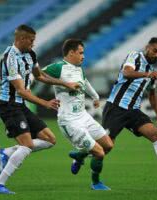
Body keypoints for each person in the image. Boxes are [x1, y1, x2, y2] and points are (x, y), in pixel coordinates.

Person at [0, 25, 79, 194]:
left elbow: (40, 76)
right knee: (27, 145)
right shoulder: (10, 57)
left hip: (20, 105)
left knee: (49, 139)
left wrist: (65, 84)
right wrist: (45, 103)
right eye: (31, 40)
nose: (33, 44)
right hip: (9, 105)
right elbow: (21, 90)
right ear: (21, 39)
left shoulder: (30, 54)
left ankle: (5, 152)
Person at [101, 37, 157, 183]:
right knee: (106, 147)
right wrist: (147, 75)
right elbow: (127, 73)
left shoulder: (151, 71)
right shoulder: (135, 56)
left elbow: (152, 94)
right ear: (147, 47)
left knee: (156, 135)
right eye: (155, 51)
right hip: (116, 107)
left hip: (133, 111)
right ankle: (82, 156)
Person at [42, 39, 114, 190]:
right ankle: (96, 183)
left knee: (108, 145)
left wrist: (95, 97)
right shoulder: (58, 67)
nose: (83, 56)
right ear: (71, 52)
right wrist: (62, 84)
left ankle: (79, 156)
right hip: (69, 121)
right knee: (99, 153)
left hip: (83, 116)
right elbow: (39, 74)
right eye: (81, 53)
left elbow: (85, 82)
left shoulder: (78, 69)